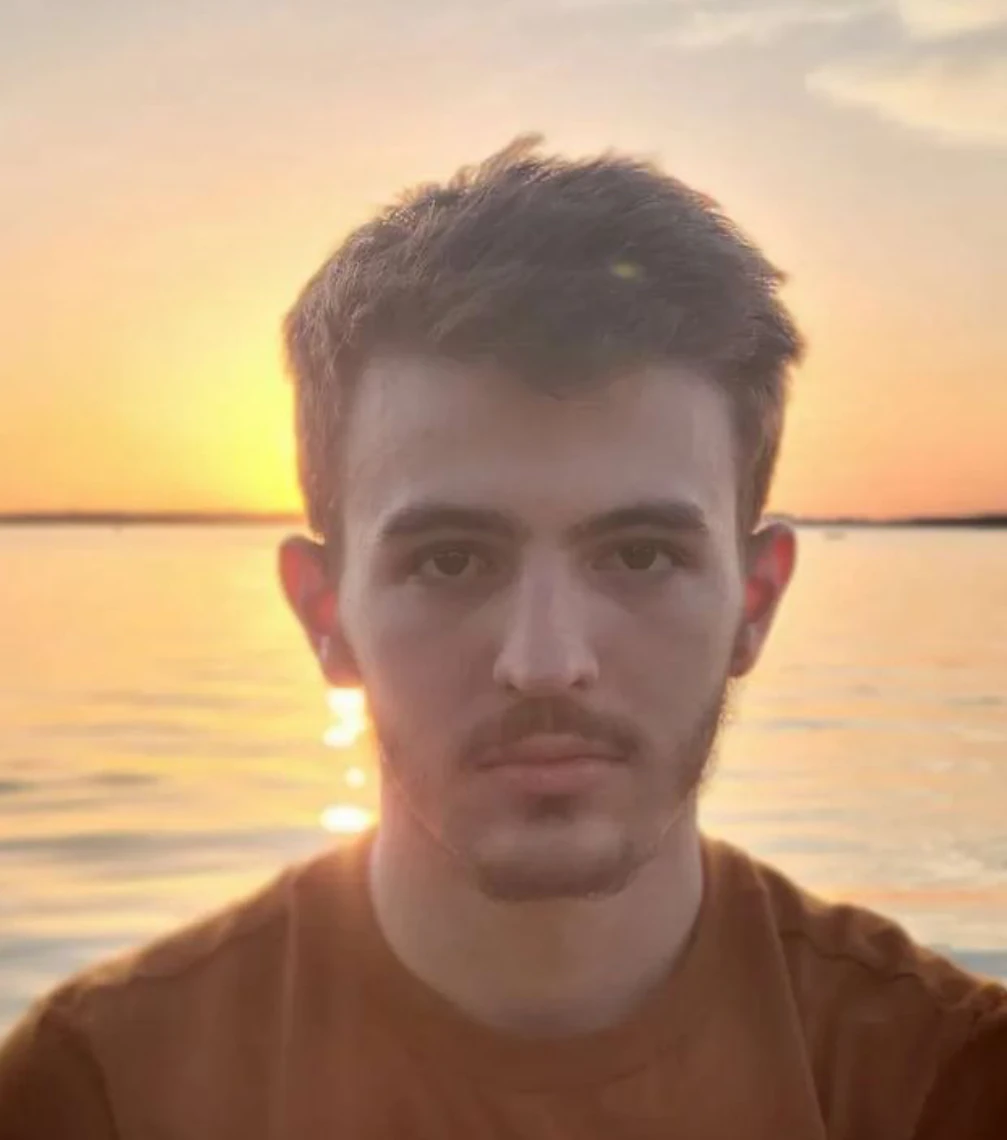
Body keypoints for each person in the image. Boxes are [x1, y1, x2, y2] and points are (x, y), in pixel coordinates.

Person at [1, 137, 1004, 1140]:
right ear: (324, 614)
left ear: (754, 601)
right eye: (450, 561)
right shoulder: (101, 1093)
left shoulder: (944, 1084)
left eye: (640, 555)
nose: (545, 661)